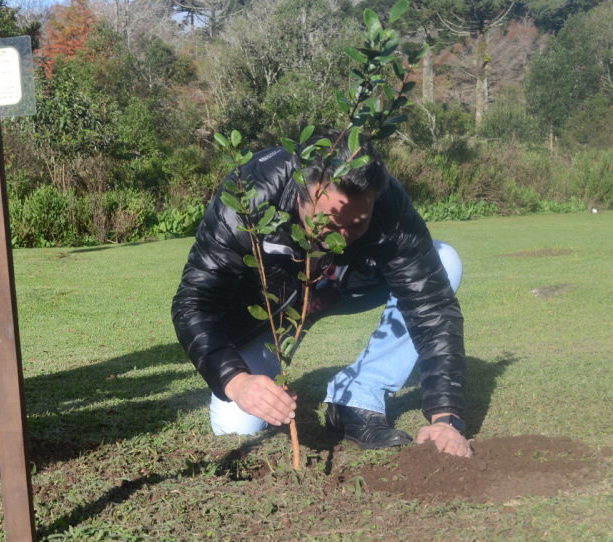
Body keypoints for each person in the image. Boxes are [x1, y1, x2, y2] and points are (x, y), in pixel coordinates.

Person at [171, 131, 471, 457]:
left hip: (349, 289)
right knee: (236, 426)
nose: (340, 238)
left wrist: (446, 417)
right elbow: (193, 304)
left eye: (356, 224)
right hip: (274, 311)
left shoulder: (388, 202)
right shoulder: (251, 194)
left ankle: (358, 393)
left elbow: (431, 304)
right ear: (300, 194)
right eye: (327, 224)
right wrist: (237, 380)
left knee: (445, 261)